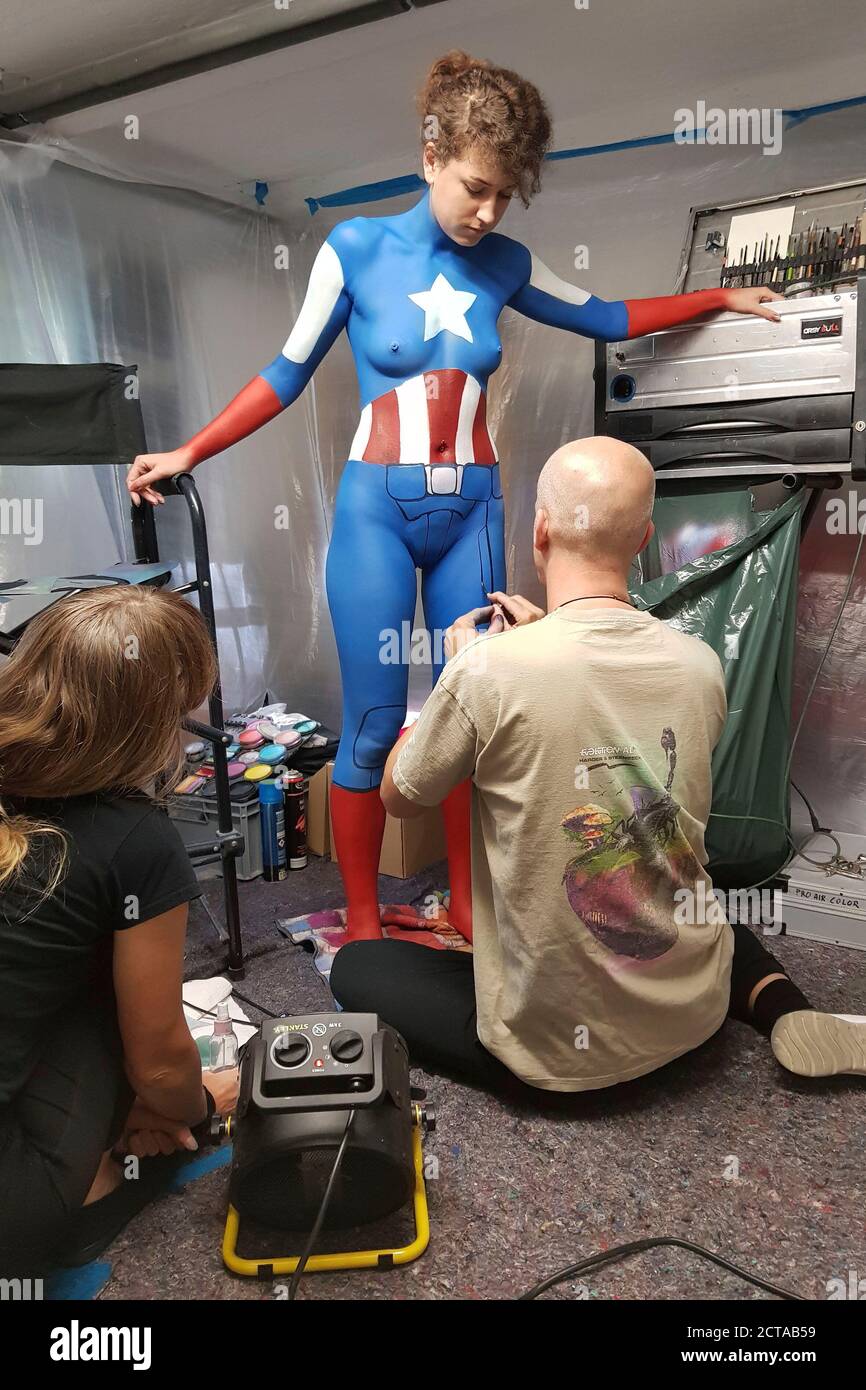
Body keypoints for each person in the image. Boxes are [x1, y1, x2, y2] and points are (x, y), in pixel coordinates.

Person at [125, 50, 782, 944]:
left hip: (472, 506)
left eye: (505, 196)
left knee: (473, 716)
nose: (487, 211)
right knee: (368, 730)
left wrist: (720, 295)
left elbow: (609, 316)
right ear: (430, 156)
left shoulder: (504, 262)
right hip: (376, 516)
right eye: (476, 186)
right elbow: (284, 373)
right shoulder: (355, 248)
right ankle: (362, 927)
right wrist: (187, 449)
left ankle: (469, 907)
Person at [330, 437, 866, 1096]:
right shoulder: (700, 665)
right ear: (643, 538)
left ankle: (537, 1044)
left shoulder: (489, 669)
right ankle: (786, 1010)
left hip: (552, 1061)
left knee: (356, 966)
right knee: (694, 894)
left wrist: (459, 672)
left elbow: (398, 796)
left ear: (542, 530)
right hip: (688, 1023)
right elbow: (596, 699)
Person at [0, 586, 238, 1277]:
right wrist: (196, 1104)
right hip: (13, 1216)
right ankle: (107, 1180)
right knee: (122, 1001)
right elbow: (160, 1057)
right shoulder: (135, 839)